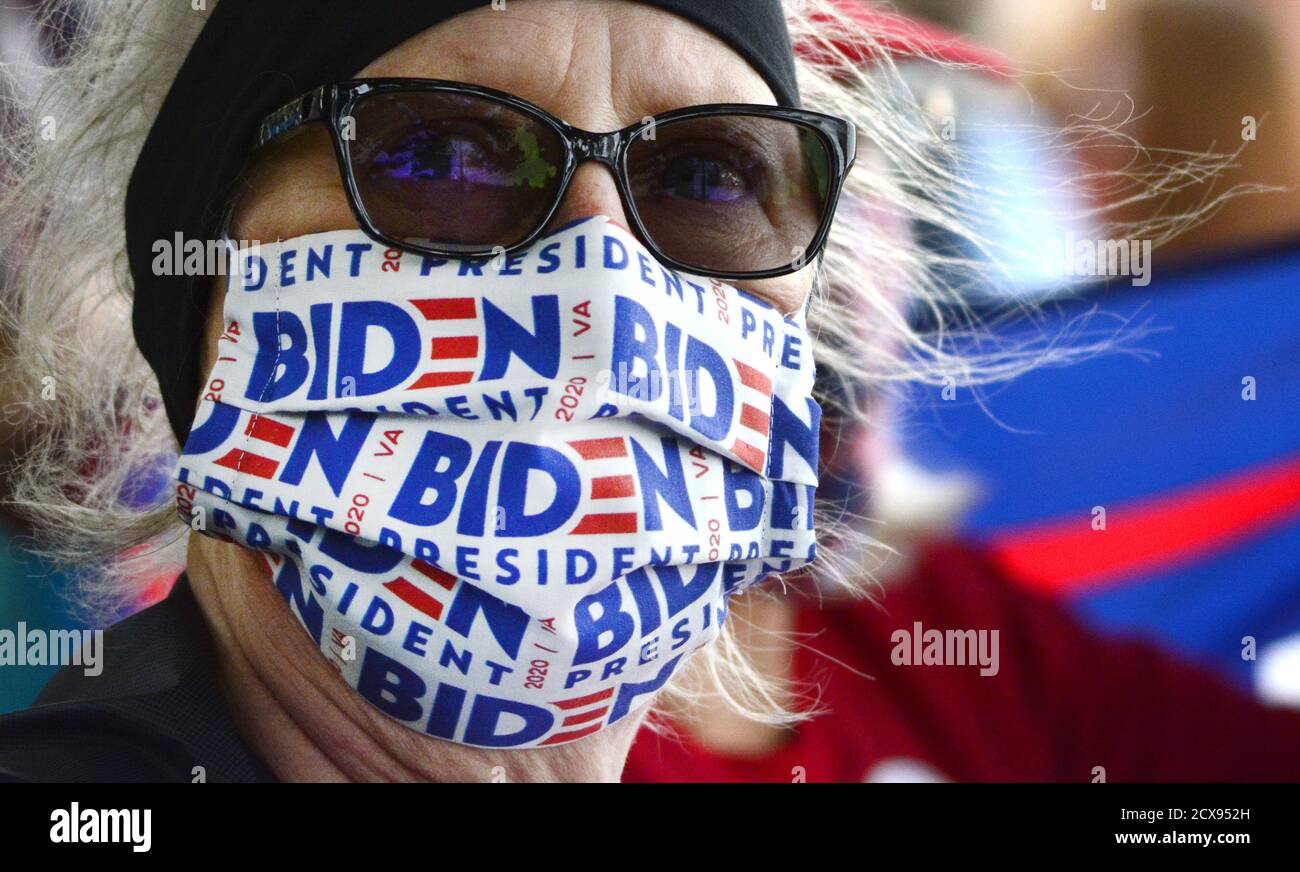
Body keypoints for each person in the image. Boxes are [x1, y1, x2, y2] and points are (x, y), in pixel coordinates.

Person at [0, 0, 1298, 783]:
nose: (601, 275)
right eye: (444, 152)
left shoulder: (952, 634)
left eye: (710, 176)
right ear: (204, 289)